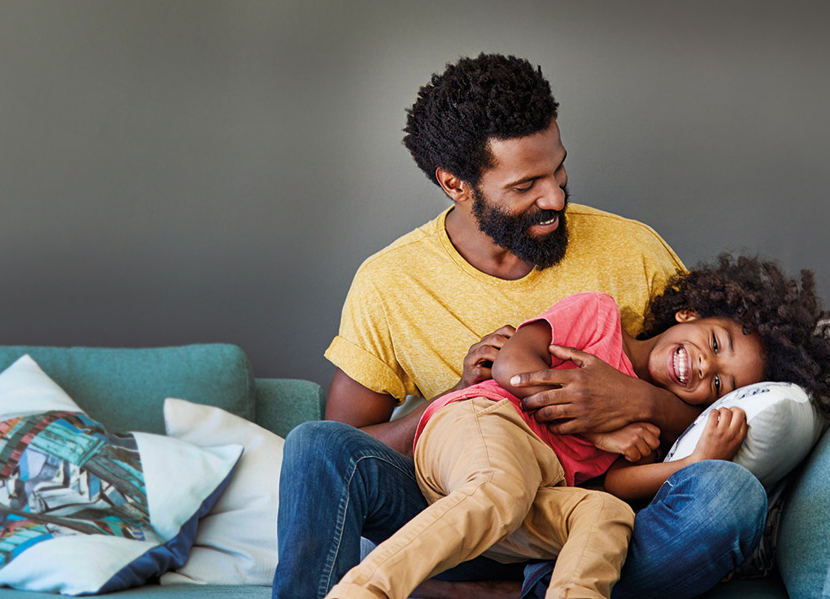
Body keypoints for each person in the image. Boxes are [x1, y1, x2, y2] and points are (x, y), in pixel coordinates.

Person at [275, 53, 754, 599]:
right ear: (456, 184)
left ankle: (508, 590)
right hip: (454, 512)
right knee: (315, 444)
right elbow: (351, 448)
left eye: (558, 170)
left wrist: (637, 401)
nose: (555, 198)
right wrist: (459, 395)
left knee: (730, 497)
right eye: (526, 185)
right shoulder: (390, 282)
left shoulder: (632, 251)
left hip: (580, 515)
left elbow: (717, 389)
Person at [322, 255, 830, 599]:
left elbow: (613, 486)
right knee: (498, 487)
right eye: (714, 343)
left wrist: (692, 462)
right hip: (483, 424)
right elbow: (513, 370)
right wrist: (600, 431)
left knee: (608, 518)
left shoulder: (653, 424)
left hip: (544, 490)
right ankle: (366, 590)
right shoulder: (599, 317)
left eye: (720, 385)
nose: (705, 366)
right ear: (690, 313)